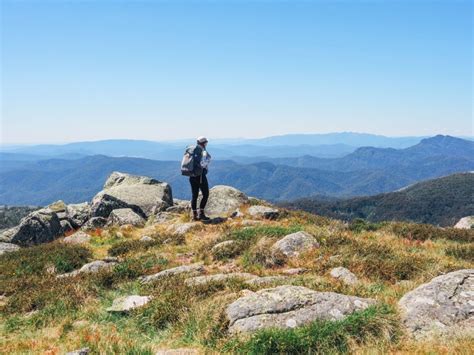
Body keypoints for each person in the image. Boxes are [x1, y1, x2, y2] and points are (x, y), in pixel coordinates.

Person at [189, 136, 211, 221]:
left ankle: (194, 215)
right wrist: (208, 159)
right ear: (204, 143)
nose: (207, 144)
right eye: (206, 142)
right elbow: (203, 164)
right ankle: (201, 214)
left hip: (192, 175)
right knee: (205, 194)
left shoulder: (192, 150)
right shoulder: (203, 151)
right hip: (200, 176)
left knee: (194, 195)